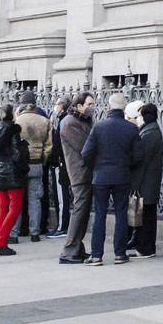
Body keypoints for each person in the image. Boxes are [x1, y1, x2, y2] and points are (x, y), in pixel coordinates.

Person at [79, 92, 141, 265]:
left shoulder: (99, 127)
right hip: (122, 176)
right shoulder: (131, 128)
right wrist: (125, 164)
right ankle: (120, 253)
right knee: (121, 214)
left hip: (101, 176)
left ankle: (97, 255)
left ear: (108, 107)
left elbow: (86, 153)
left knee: (100, 214)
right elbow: (138, 156)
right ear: (124, 108)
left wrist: (97, 166)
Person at [57, 92, 95, 263]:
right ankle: (69, 250)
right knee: (79, 210)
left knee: (84, 210)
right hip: (79, 171)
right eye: (89, 104)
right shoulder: (70, 123)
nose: (92, 107)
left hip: (86, 171)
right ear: (79, 106)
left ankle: (77, 247)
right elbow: (85, 146)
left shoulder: (82, 120)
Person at [0, 102, 30, 256]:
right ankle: (1, 240)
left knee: (1, 208)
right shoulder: (12, 131)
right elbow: (17, 155)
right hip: (12, 173)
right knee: (14, 208)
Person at [128, 102, 163, 257]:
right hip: (148, 182)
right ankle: (143, 247)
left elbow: (141, 161)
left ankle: (145, 248)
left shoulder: (149, 134)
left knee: (146, 218)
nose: (139, 119)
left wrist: (134, 183)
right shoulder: (150, 131)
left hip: (146, 183)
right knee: (145, 216)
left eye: (140, 115)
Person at [17, 102, 51, 241]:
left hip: (20, 164)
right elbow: (48, 146)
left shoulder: (17, 120)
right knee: (35, 199)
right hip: (36, 162)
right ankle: (35, 233)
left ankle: (14, 233)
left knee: (17, 199)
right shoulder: (45, 121)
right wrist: (42, 160)